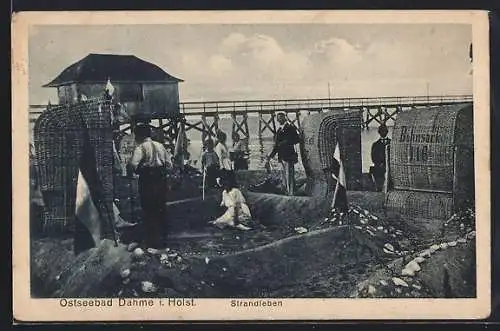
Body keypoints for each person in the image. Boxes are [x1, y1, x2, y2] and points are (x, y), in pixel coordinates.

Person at [127, 123, 172, 248]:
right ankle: (163, 238)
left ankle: (151, 240)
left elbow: (133, 165)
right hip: (161, 180)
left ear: (139, 135)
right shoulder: (161, 146)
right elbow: (169, 165)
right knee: (161, 208)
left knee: (148, 210)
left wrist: (130, 169)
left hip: (147, 180)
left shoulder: (140, 148)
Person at [265, 112, 301, 196]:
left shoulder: (290, 128)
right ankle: (288, 192)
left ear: (284, 118)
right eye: (278, 118)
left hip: (289, 156)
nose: (278, 119)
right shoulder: (279, 130)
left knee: (289, 175)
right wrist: (270, 156)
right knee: (284, 176)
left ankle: (291, 193)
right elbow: (276, 146)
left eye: (280, 118)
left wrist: (285, 142)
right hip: (282, 156)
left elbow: (297, 139)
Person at [370, 124, 391, 192]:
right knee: (379, 184)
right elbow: (373, 157)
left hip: (389, 166)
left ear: (387, 132)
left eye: (384, 131)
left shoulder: (391, 143)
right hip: (379, 167)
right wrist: (379, 163)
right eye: (381, 131)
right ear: (379, 132)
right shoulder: (375, 144)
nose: (383, 133)